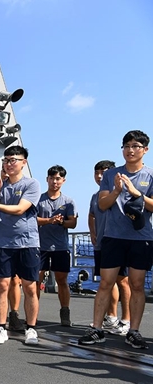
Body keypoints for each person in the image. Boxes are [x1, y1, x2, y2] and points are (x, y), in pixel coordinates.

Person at [79, 130, 152, 349]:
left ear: (145, 150)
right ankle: (97, 329)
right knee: (105, 283)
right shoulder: (111, 176)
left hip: (141, 238)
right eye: (126, 146)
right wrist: (117, 190)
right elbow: (102, 205)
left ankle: (134, 331)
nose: (130, 150)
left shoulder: (150, 175)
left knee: (137, 285)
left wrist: (135, 192)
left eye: (136, 146)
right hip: (113, 236)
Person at [0, 145, 41, 345]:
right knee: (2, 285)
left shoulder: (32, 184)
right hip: (2, 243)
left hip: (27, 243)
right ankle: (1, 327)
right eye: (6, 160)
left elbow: (19, 209)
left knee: (30, 287)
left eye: (13, 159)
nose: (9, 163)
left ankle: (31, 328)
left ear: (24, 162)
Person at [88, 160, 130, 335]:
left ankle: (126, 320)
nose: (100, 176)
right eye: (97, 172)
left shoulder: (122, 193)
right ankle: (111, 317)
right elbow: (91, 215)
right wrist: (92, 232)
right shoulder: (95, 196)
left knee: (124, 281)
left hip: (120, 240)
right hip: (103, 243)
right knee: (107, 281)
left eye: (104, 172)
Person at [36, 165, 77, 326]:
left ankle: (65, 312)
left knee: (62, 280)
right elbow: (33, 220)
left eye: (58, 178)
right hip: (40, 246)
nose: (55, 181)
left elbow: (72, 223)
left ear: (63, 180)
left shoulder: (68, 201)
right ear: (47, 179)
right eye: (52, 178)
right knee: (35, 280)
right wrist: (49, 221)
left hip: (60, 247)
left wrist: (61, 222)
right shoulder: (39, 200)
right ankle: (34, 313)